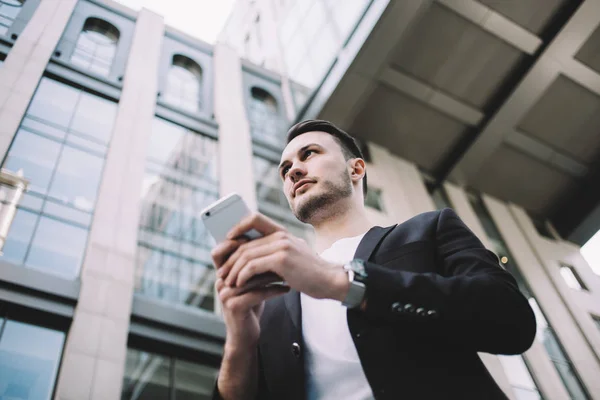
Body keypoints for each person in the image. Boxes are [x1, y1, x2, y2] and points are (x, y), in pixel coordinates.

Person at [211, 120, 536, 400]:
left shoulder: (429, 231)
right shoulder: (270, 301)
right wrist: (239, 343)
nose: (293, 170)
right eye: (284, 169)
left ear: (356, 169)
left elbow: (513, 320)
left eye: (309, 154)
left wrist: (342, 282)